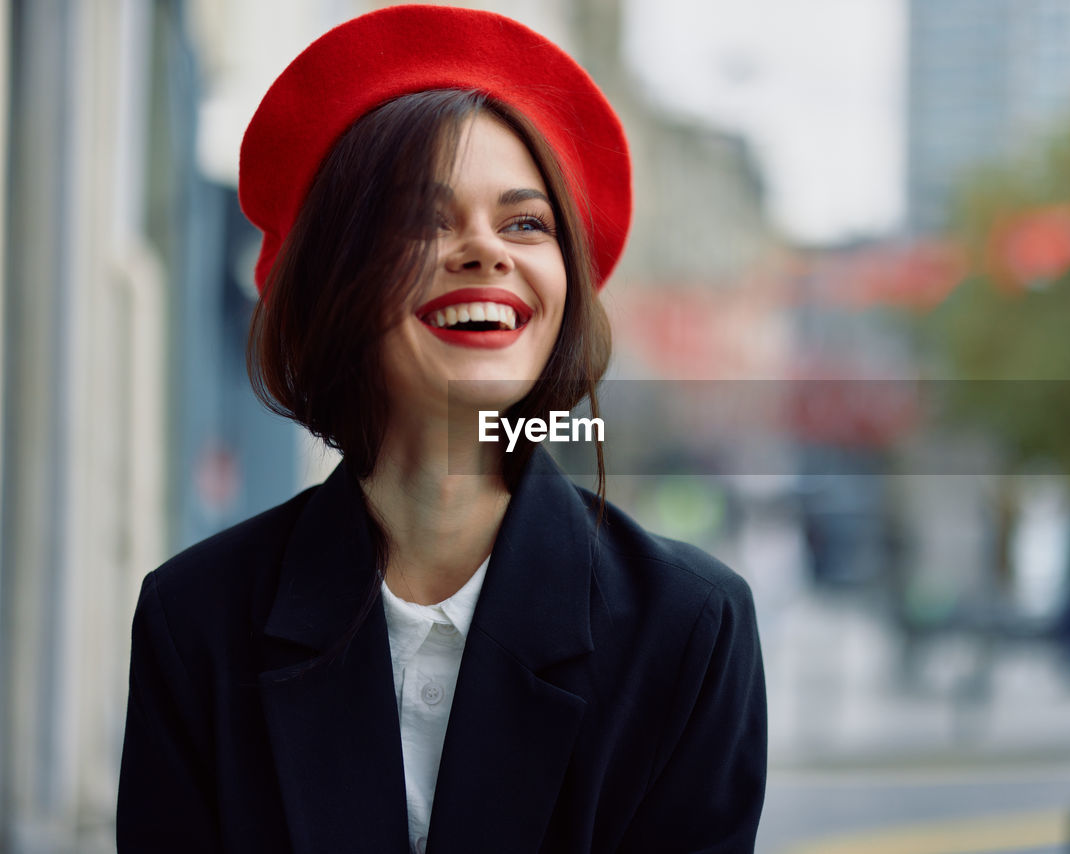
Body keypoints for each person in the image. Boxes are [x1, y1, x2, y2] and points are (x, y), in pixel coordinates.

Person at [115, 6, 767, 853]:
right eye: (425, 218)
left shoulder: (690, 627)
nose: (485, 250)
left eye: (526, 222)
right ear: (331, 280)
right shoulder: (194, 619)